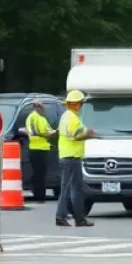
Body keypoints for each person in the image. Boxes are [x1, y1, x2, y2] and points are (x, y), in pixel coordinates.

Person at [56, 90, 96, 228]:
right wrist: (88, 134)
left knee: (67, 188)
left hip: (66, 156)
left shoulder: (65, 116)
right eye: (80, 103)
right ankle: (78, 219)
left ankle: (64, 216)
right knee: (75, 189)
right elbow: (76, 136)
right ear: (77, 105)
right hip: (72, 157)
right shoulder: (73, 119)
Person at [21, 100, 56, 203]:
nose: (41, 109)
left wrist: (52, 132)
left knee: (40, 174)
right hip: (38, 149)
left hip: (41, 148)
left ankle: (39, 195)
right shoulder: (34, 118)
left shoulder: (40, 118)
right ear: (37, 107)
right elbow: (40, 132)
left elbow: (47, 130)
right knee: (39, 174)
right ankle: (39, 196)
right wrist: (52, 133)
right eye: (40, 107)